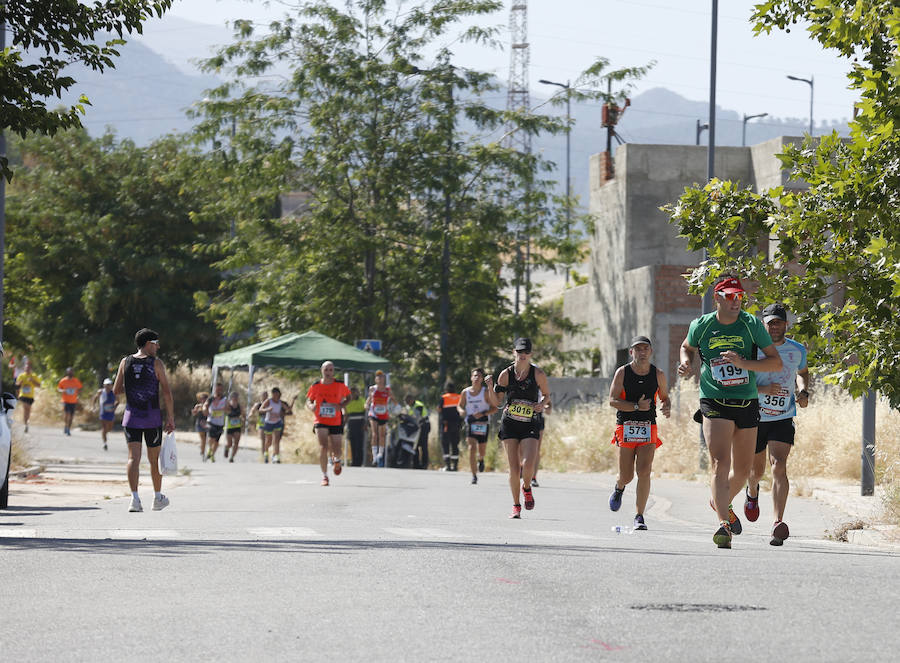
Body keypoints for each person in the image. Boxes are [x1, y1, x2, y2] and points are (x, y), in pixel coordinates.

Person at [678, 276, 782, 549]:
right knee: (719, 463)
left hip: (746, 401)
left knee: (744, 469)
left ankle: (719, 501)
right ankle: (723, 523)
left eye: (739, 297)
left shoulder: (751, 325)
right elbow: (686, 347)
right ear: (718, 298)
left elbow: (774, 362)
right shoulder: (701, 325)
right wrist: (686, 363)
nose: (736, 301)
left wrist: (743, 362)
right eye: (730, 296)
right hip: (714, 399)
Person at [744, 303, 810, 546]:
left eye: (778, 322)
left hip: (783, 416)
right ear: (763, 324)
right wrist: (762, 389)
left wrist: (803, 390)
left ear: (786, 324)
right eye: (770, 322)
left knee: (779, 466)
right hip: (754, 416)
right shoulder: (754, 349)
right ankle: (752, 493)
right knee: (756, 470)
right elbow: (742, 378)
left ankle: (777, 522)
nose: (774, 327)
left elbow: (803, 372)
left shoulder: (797, 349)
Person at [608, 335, 671, 530]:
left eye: (645, 349)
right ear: (631, 352)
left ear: (651, 351)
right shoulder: (623, 372)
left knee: (644, 471)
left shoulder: (658, 374)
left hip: (648, 427)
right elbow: (612, 400)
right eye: (638, 349)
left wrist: (667, 406)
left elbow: (665, 397)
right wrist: (636, 406)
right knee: (627, 476)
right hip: (626, 426)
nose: (642, 352)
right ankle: (619, 487)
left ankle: (639, 516)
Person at [487, 337, 551, 519]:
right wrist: (491, 387)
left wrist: (541, 404)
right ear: (514, 352)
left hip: (530, 422)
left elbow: (547, 395)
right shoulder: (505, 374)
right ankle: (516, 505)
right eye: (519, 352)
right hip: (510, 423)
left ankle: (527, 487)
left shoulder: (537, 374)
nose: (523, 355)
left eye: (526, 352)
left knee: (528, 464)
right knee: (514, 469)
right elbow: (496, 402)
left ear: (530, 354)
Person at [112, 328, 175, 513]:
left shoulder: (125, 362)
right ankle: (157, 497)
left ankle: (135, 499)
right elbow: (166, 392)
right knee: (154, 459)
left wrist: (133, 388)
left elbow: (116, 390)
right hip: (152, 418)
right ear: (148, 344)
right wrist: (171, 417)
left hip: (131, 417)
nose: (158, 347)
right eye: (156, 343)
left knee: (133, 458)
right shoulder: (156, 363)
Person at [307, 361, 352, 486]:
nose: (328, 372)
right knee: (323, 447)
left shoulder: (340, 385)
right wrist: (311, 406)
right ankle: (325, 476)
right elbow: (309, 400)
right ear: (322, 370)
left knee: (337, 448)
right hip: (320, 420)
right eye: (326, 370)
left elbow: (349, 397)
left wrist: (341, 406)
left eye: (331, 370)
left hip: (336, 420)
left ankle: (336, 460)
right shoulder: (316, 385)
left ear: (334, 372)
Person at [457, 368, 496, 484]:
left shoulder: (485, 392)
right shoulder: (465, 392)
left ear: (482, 379)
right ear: (471, 378)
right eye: (474, 376)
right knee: (472, 448)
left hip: (483, 422)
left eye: (479, 376)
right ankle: (474, 475)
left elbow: (494, 409)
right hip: (471, 422)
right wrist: (461, 411)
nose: (476, 378)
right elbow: (459, 406)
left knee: (481, 450)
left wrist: (483, 413)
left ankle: (481, 459)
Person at [365, 370, 397, 467]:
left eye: (381, 377)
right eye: (378, 377)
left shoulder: (387, 390)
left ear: (384, 379)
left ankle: (380, 454)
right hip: (374, 413)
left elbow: (394, 401)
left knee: (382, 435)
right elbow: (368, 401)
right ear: (375, 379)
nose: (379, 378)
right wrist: (366, 405)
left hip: (383, 414)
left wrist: (395, 407)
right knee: (374, 434)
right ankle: (374, 456)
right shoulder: (372, 389)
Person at [260, 387, 293, 463]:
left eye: (278, 395)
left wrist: (292, 401)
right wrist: (267, 410)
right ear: (272, 394)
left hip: (277, 422)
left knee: (277, 439)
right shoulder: (268, 401)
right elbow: (261, 409)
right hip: (268, 423)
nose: (276, 397)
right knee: (269, 441)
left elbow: (288, 409)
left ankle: (276, 456)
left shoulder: (280, 402)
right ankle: (266, 453)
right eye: (275, 395)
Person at [89, 378, 118, 450]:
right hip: (103, 413)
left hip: (111, 413)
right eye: (106, 385)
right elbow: (95, 398)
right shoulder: (101, 392)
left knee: (110, 428)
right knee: (104, 428)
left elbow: (118, 401)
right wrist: (93, 407)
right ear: (104, 385)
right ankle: (105, 443)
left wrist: (115, 407)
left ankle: (104, 434)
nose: (108, 386)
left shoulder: (114, 392)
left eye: (109, 385)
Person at [439, 383, 462, 471]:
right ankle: (455, 466)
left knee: (445, 444)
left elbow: (439, 409)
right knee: (455, 444)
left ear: (446, 389)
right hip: (457, 425)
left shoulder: (444, 397)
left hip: (446, 425)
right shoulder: (459, 397)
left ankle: (448, 466)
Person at [404, 394, 431, 469]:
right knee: (415, 445)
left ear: (412, 399)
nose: (407, 403)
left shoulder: (418, 405)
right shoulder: (410, 406)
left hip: (424, 425)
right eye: (406, 402)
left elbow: (417, 417)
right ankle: (416, 464)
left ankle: (424, 464)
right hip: (416, 426)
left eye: (408, 401)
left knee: (423, 446)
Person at [203, 382, 227, 462]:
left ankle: (212, 454)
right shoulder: (211, 399)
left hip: (220, 423)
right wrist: (205, 410)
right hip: (211, 421)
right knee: (211, 438)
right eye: (217, 389)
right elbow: (205, 406)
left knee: (217, 441)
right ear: (215, 390)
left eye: (220, 389)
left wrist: (225, 409)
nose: (219, 391)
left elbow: (228, 408)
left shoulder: (225, 399)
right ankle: (210, 449)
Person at [14, 359, 40, 433]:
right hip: (23, 395)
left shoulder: (33, 376)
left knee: (28, 410)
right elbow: (16, 385)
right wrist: (19, 383)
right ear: (24, 369)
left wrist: (33, 381)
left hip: (30, 396)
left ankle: (26, 423)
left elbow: (39, 385)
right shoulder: (21, 376)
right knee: (26, 407)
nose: (27, 369)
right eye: (26, 368)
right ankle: (25, 424)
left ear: (30, 369)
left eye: (28, 368)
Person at [344, 387, 367, 467]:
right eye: (352, 392)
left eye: (355, 392)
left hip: (359, 424)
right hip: (351, 424)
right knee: (353, 443)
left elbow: (365, 412)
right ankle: (354, 462)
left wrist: (365, 424)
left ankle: (359, 462)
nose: (353, 394)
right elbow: (346, 415)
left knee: (359, 444)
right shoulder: (347, 402)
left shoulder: (362, 400)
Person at [57, 367, 83, 436]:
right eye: (69, 372)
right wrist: (63, 391)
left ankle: (68, 428)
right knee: (67, 414)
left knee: (71, 416)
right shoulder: (63, 380)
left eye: (72, 372)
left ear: (73, 373)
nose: (71, 373)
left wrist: (77, 391)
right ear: (67, 373)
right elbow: (59, 388)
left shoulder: (76, 381)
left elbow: (80, 389)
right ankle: (66, 426)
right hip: (65, 400)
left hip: (73, 401)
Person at [247, 390, 267, 462]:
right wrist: (250, 415)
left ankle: (266, 452)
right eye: (263, 396)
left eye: (266, 395)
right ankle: (263, 454)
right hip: (261, 424)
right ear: (260, 397)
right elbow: (252, 410)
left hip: (269, 424)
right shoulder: (258, 405)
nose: (264, 397)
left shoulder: (269, 404)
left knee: (268, 440)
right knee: (263, 439)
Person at [224, 391, 243, 463]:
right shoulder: (228, 405)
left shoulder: (239, 406)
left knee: (236, 443)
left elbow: (243, 413)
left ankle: (232, 457)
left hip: (237, 426)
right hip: (229, 427)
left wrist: (243, 418)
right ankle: (227, 448)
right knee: (230, 443)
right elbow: (225, 411)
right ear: (231, 397)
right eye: (234, 396)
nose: (236, 398)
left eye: (237, 397)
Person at [191, 391, 210, 462]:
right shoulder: (198, 406)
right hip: (199, 423)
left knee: (206, 439)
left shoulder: (209, 406)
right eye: (202, 398)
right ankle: (202, 452)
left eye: (205, 398)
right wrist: (194, 411)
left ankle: (203, 449)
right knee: (203, 439)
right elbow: (194, 414)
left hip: (207, 423)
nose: (203, 400)